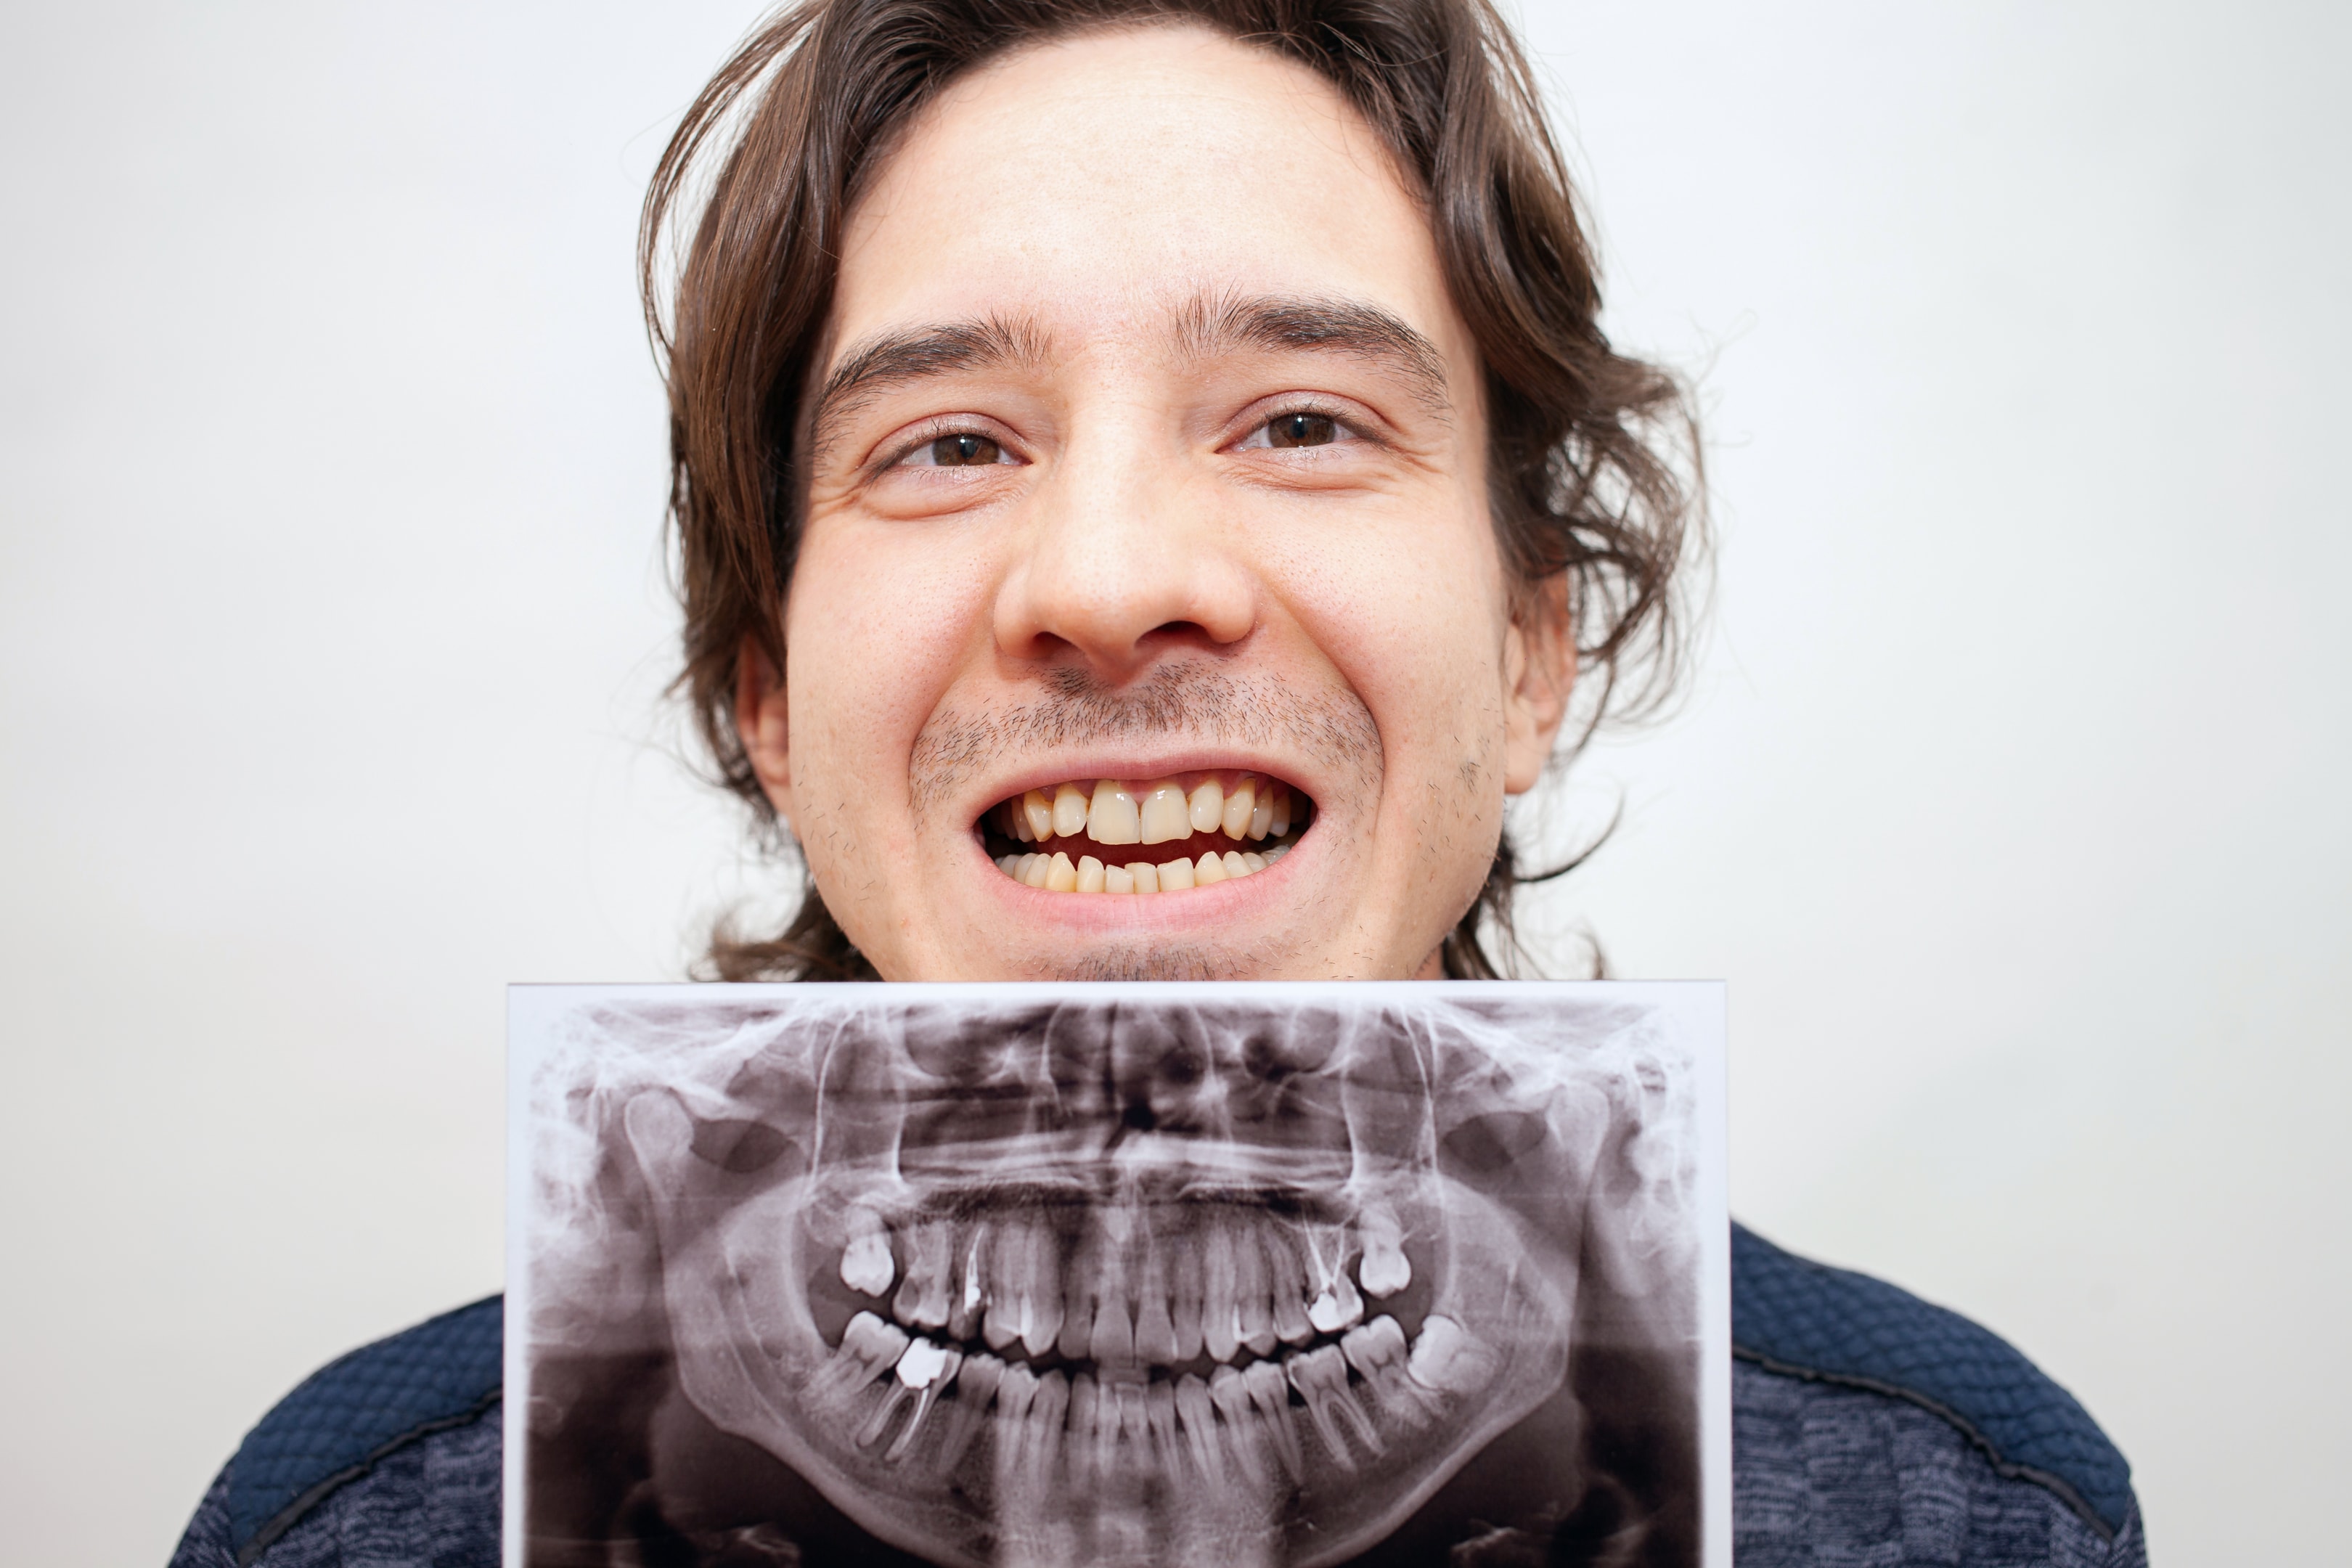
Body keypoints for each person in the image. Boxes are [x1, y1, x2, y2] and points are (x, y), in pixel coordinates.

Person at [168, 1, 2147, 1564]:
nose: (1114, 582)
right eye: (949, 444)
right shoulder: (344, 1537)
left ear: (1533, 654)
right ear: (770, 695)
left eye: (1300, 420)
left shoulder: (1968, 1519)